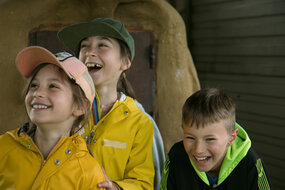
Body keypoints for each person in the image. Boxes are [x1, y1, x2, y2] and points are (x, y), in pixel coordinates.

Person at [58, 18, 165, 190]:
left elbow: (146, 184)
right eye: (84, 46)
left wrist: (116, 187)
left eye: (102, 45)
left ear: (125, 62)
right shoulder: (62, 111)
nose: (89, 52)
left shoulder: (140, 122)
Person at [0, 46, 105, 190]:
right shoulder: (4, 147)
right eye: (34, 85)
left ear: (80, 106)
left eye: (53, 86)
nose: (37, 93)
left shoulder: (88, 171)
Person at [160, 88, 271, 190]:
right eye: (190, 137)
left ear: (231, 138)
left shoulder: (251, 166)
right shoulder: (176, 158)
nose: (198, 150)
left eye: (210, 139)